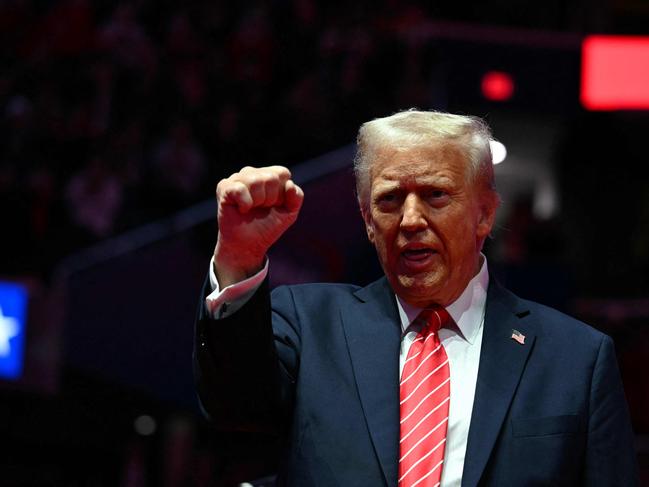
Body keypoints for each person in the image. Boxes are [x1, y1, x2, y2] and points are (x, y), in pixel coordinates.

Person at [194, 110, 639, 486]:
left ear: (485, 213)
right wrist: (239, 256)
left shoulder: (576, 358)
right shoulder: (309, 326)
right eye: (389, 200)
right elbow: (234, 407)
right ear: (368, 221)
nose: (410, 219)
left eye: (435, 195)